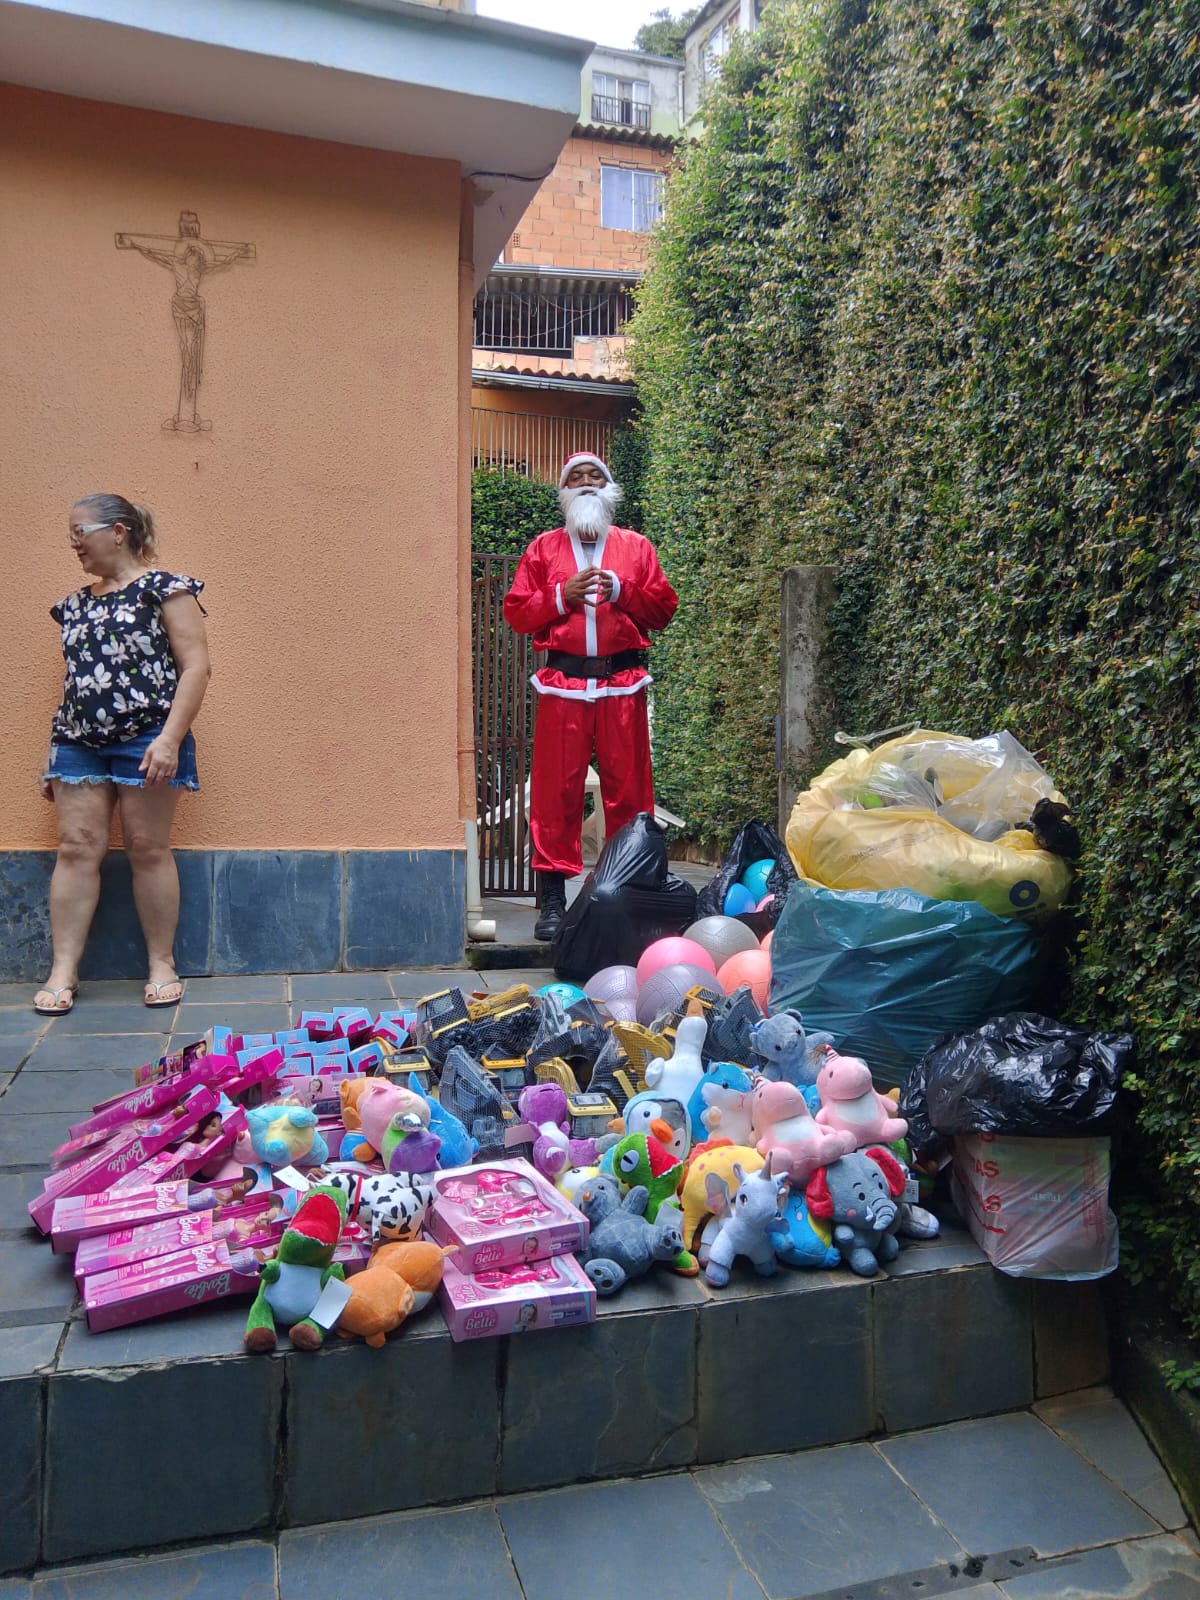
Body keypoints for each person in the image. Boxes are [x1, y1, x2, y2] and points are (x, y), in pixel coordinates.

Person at [34, 494, 211, 1015]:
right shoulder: (73, 605)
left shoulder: (166, 590)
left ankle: (162, 964)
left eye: (79, 532)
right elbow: (76, 681)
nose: (74, 544)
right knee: (75, 848)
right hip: (77, 742)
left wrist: (170, 739)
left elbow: (196, 667)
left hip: (148, 737)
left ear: (117, 532)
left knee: (147, 847)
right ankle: (62, 972)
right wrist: (53, 751)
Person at [503, 452, 678, 941]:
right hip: (564, 683)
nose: (585, 483)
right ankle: (553, 902)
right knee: (555, 791)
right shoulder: (543, 549)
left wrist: (622, 590)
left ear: (608, 488)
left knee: (631, 790)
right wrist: (562, 595)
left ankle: (627, 893)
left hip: (623, 682)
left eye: (594, 476)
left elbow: (663, 610)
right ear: (564, 491)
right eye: (575, 477)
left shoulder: (636, 547)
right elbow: (517, 612)